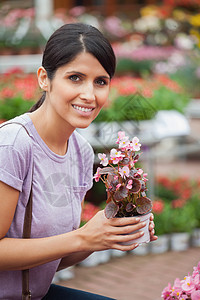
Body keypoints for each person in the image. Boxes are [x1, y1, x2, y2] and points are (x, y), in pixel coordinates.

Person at [0, 23, 157, 300]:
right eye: (75, 77)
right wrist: (83, 237)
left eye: (101, 81)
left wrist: (106, 235)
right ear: (44, 79)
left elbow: (52, 258)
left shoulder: (81, 152)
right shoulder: (14, 144)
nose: (89, 94)